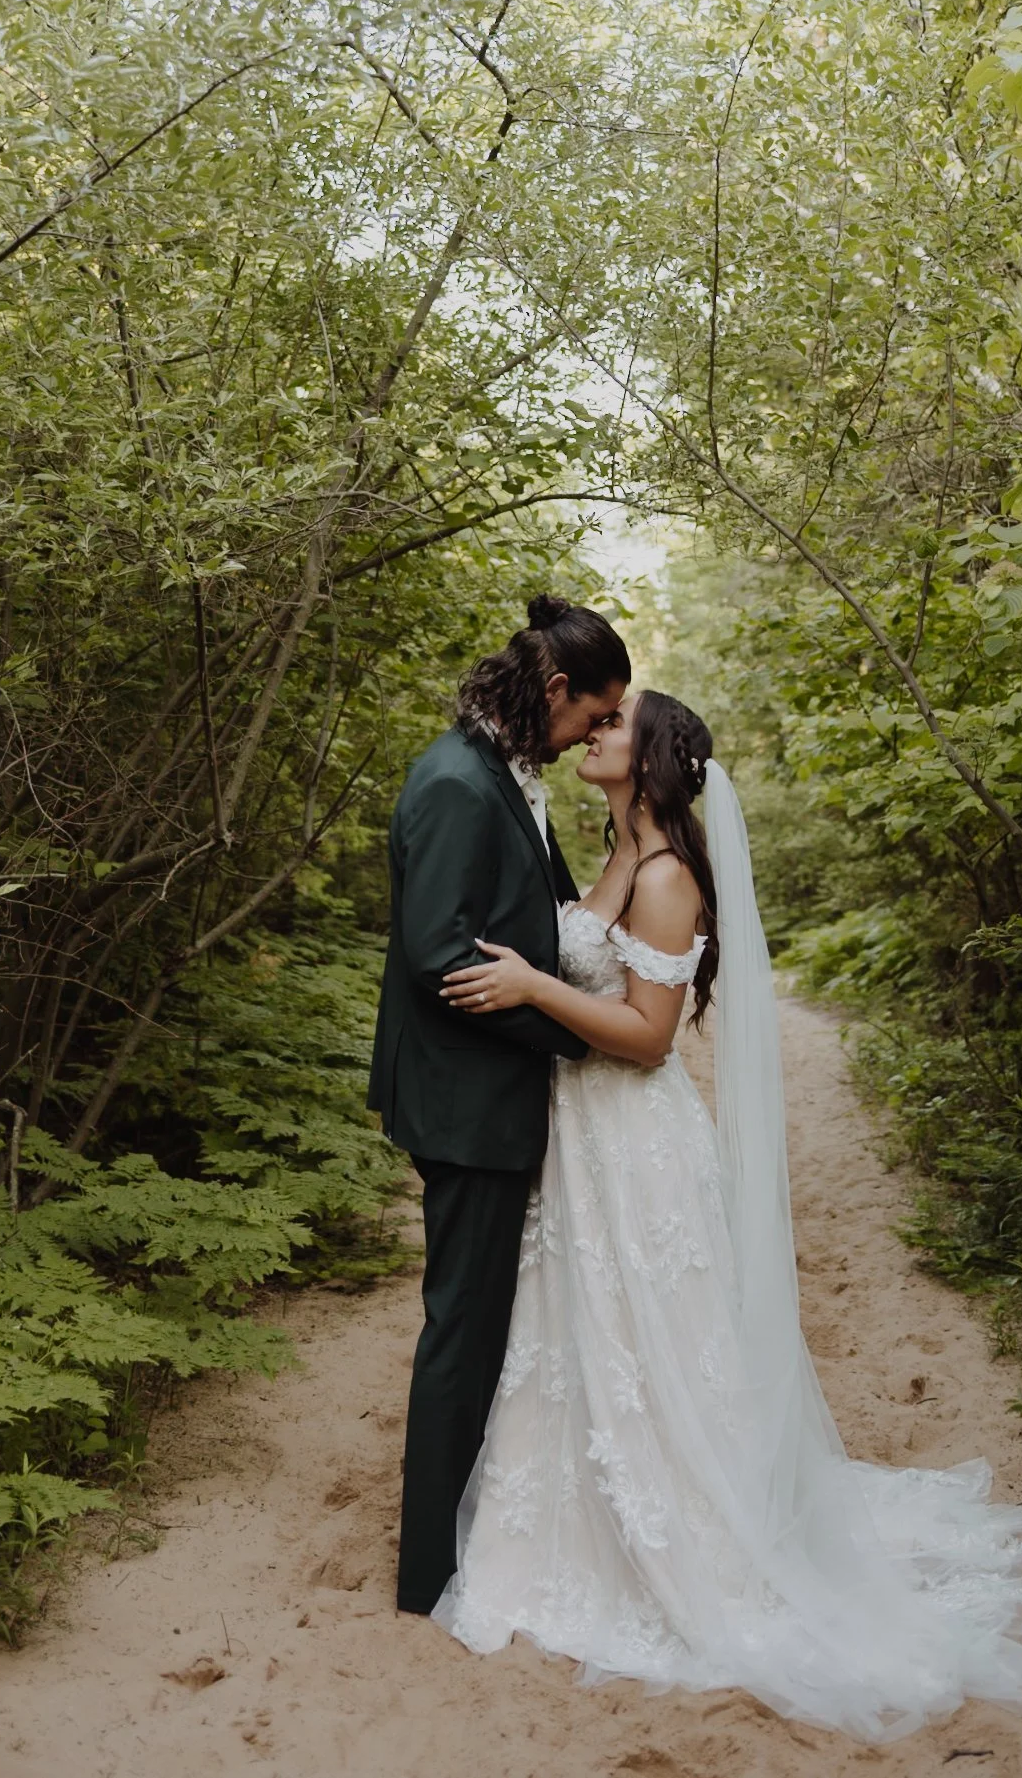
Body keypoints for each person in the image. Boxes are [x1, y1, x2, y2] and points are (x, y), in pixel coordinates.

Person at [432, 689, 1022, 1741]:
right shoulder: (609, 851)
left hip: (636, 1141)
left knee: (659, 1342)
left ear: (645, 760)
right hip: (584, 1144)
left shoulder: (665, 880)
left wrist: (530, 987)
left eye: (615, 723)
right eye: (594, 716)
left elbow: (647, 1036)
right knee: (584, 1337)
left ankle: (688, 1545)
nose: (594, 729)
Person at [370, 594, 631, 1616]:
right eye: (591, 713)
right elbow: (439, 953)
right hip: (463, 1101)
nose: (589, 737)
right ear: (554, 688)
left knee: (487, 1321)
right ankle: (425, 1573)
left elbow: (533, 922)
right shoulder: (452, 784)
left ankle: (468, 1527)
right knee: (463, 1324)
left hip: (491, 1087)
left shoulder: (503, 775)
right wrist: (569, 1030)